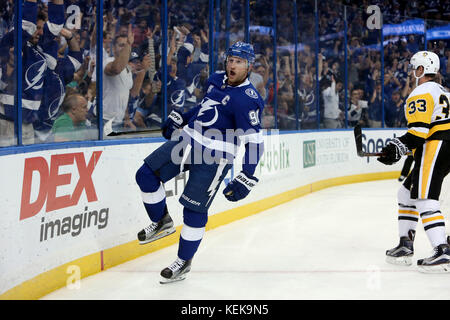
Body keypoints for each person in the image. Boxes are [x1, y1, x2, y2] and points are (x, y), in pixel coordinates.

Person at [134, 41, 265, 283]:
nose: (232, 65)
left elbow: (255, 142)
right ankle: (161, 221)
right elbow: (205, 107)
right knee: (145, 174)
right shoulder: (216, 79)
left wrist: (247, 175)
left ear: (249, 66)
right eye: (230, 60)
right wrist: (181, 118)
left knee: (194, 210)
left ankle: (183, 262)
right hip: (188, 140)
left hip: (216, 156)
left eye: (239, 62)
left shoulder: (248, 99)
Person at [377, 51, 450, 273]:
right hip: (443, 145)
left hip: (436, 146)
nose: (411, 73)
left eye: (413, 69)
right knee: (406, 193)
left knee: (424, 197)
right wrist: (400, 148)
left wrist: (395, 148)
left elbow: (419, 133)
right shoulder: (443, 91)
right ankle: (405, 245)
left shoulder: (421, 92)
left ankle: (442, 251)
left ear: (421, 70)